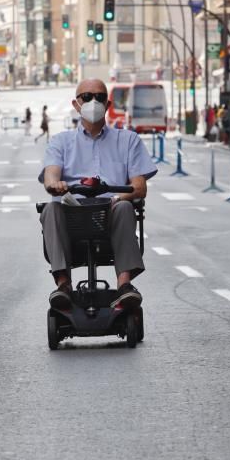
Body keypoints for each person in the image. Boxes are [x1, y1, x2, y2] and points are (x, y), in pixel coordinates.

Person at [39, 79, 157, 310]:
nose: (94, 102)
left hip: (111, 212)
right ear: (76, 104)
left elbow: (139, 187)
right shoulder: (60, 142)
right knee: (50, 208)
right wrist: (56, 185)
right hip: (72, 213)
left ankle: (124, 287)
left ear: (108, 103)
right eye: (87, 97)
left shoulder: (128, 140)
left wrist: (118, 198)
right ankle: (63, 286)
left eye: (100, 97)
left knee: (125, 206)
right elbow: (50, 177)